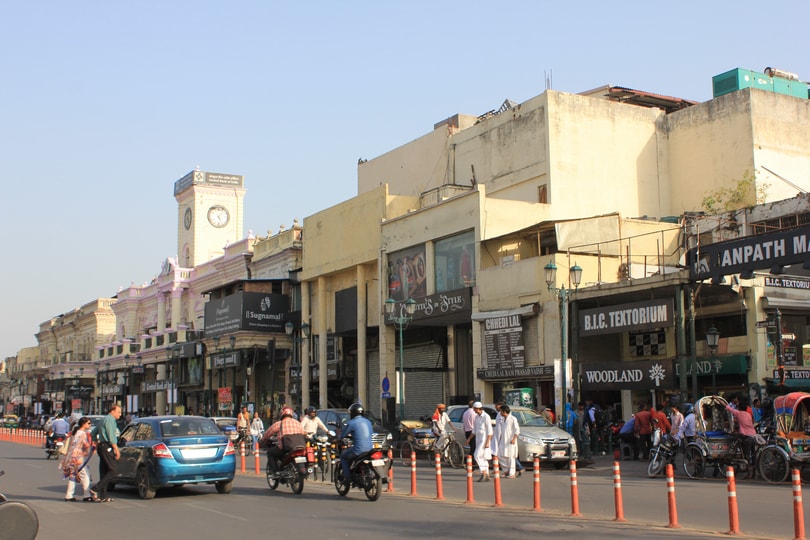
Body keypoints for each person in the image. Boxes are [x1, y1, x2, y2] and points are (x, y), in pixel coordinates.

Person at [262, 407, 307, 477]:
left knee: (270, 453)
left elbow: (268, 433)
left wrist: (263, 440)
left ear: (282, 414)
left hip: (286, 447)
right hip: (300, 446)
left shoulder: (280, 423)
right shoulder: (298, 423)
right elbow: (304, 433)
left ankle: (276, 472)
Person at [90, 404, 122, 503]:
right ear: (112, 411)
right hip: (107, 446)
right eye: (118, 412)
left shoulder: (103, 420)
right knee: (113, 470)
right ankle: (96, 488)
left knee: (104, 470)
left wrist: (96, 442)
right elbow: (111, 435)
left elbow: (93, 433)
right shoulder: (110, 420)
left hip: (102, 446)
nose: (120, 415)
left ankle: (103, 495)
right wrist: (116, 449)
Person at [62, 417, 97, 502]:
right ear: (83, 424)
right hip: (78, 457)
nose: (90, 425)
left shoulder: (76, 432)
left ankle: (69, 495)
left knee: (72, 476)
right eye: (88, 423)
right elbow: (86, 445)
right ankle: (86, 495)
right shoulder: (82, 433)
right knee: (85, 475)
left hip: (72, 456)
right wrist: (93, 446)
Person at [338, 403, 373, 484]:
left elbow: (343, 435)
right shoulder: (368, 422)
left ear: (352, 413)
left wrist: (338, 439)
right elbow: (370, 434)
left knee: (343, 456)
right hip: (370, 449)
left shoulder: (351, 423)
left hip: (358, 450)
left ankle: (347, 478)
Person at [727, 396, 757, 478]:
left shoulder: (738, 413)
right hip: (753, 435)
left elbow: (728, 408)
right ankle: (753, 473)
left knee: (745, 455)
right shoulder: (748, 414)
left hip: (745, 436)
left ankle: (748, 472)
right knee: (753, 454)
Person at [469, 402, 493, 481]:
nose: (474, 410)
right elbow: (474, 430)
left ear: (477, 408)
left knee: (476, 455)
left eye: (474, 409)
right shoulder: (476, 417)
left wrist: (487, 442)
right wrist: (469, 439)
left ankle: (483, 472)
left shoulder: (486, 417)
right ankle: (487, 475)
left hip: (484, 440)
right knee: (483, 457)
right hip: (478, 439)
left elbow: (490, 431)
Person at [497, 405, 521, 478]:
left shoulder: (513, 419)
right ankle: (506, 470)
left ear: (504, 411)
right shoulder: (502, 419)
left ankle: (512, 473)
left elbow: (517, 430)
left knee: (511, 457)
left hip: (511, 441)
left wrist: (514, 438)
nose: (500, 412)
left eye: (501, 411)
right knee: (500, 455)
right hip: (503, 440)